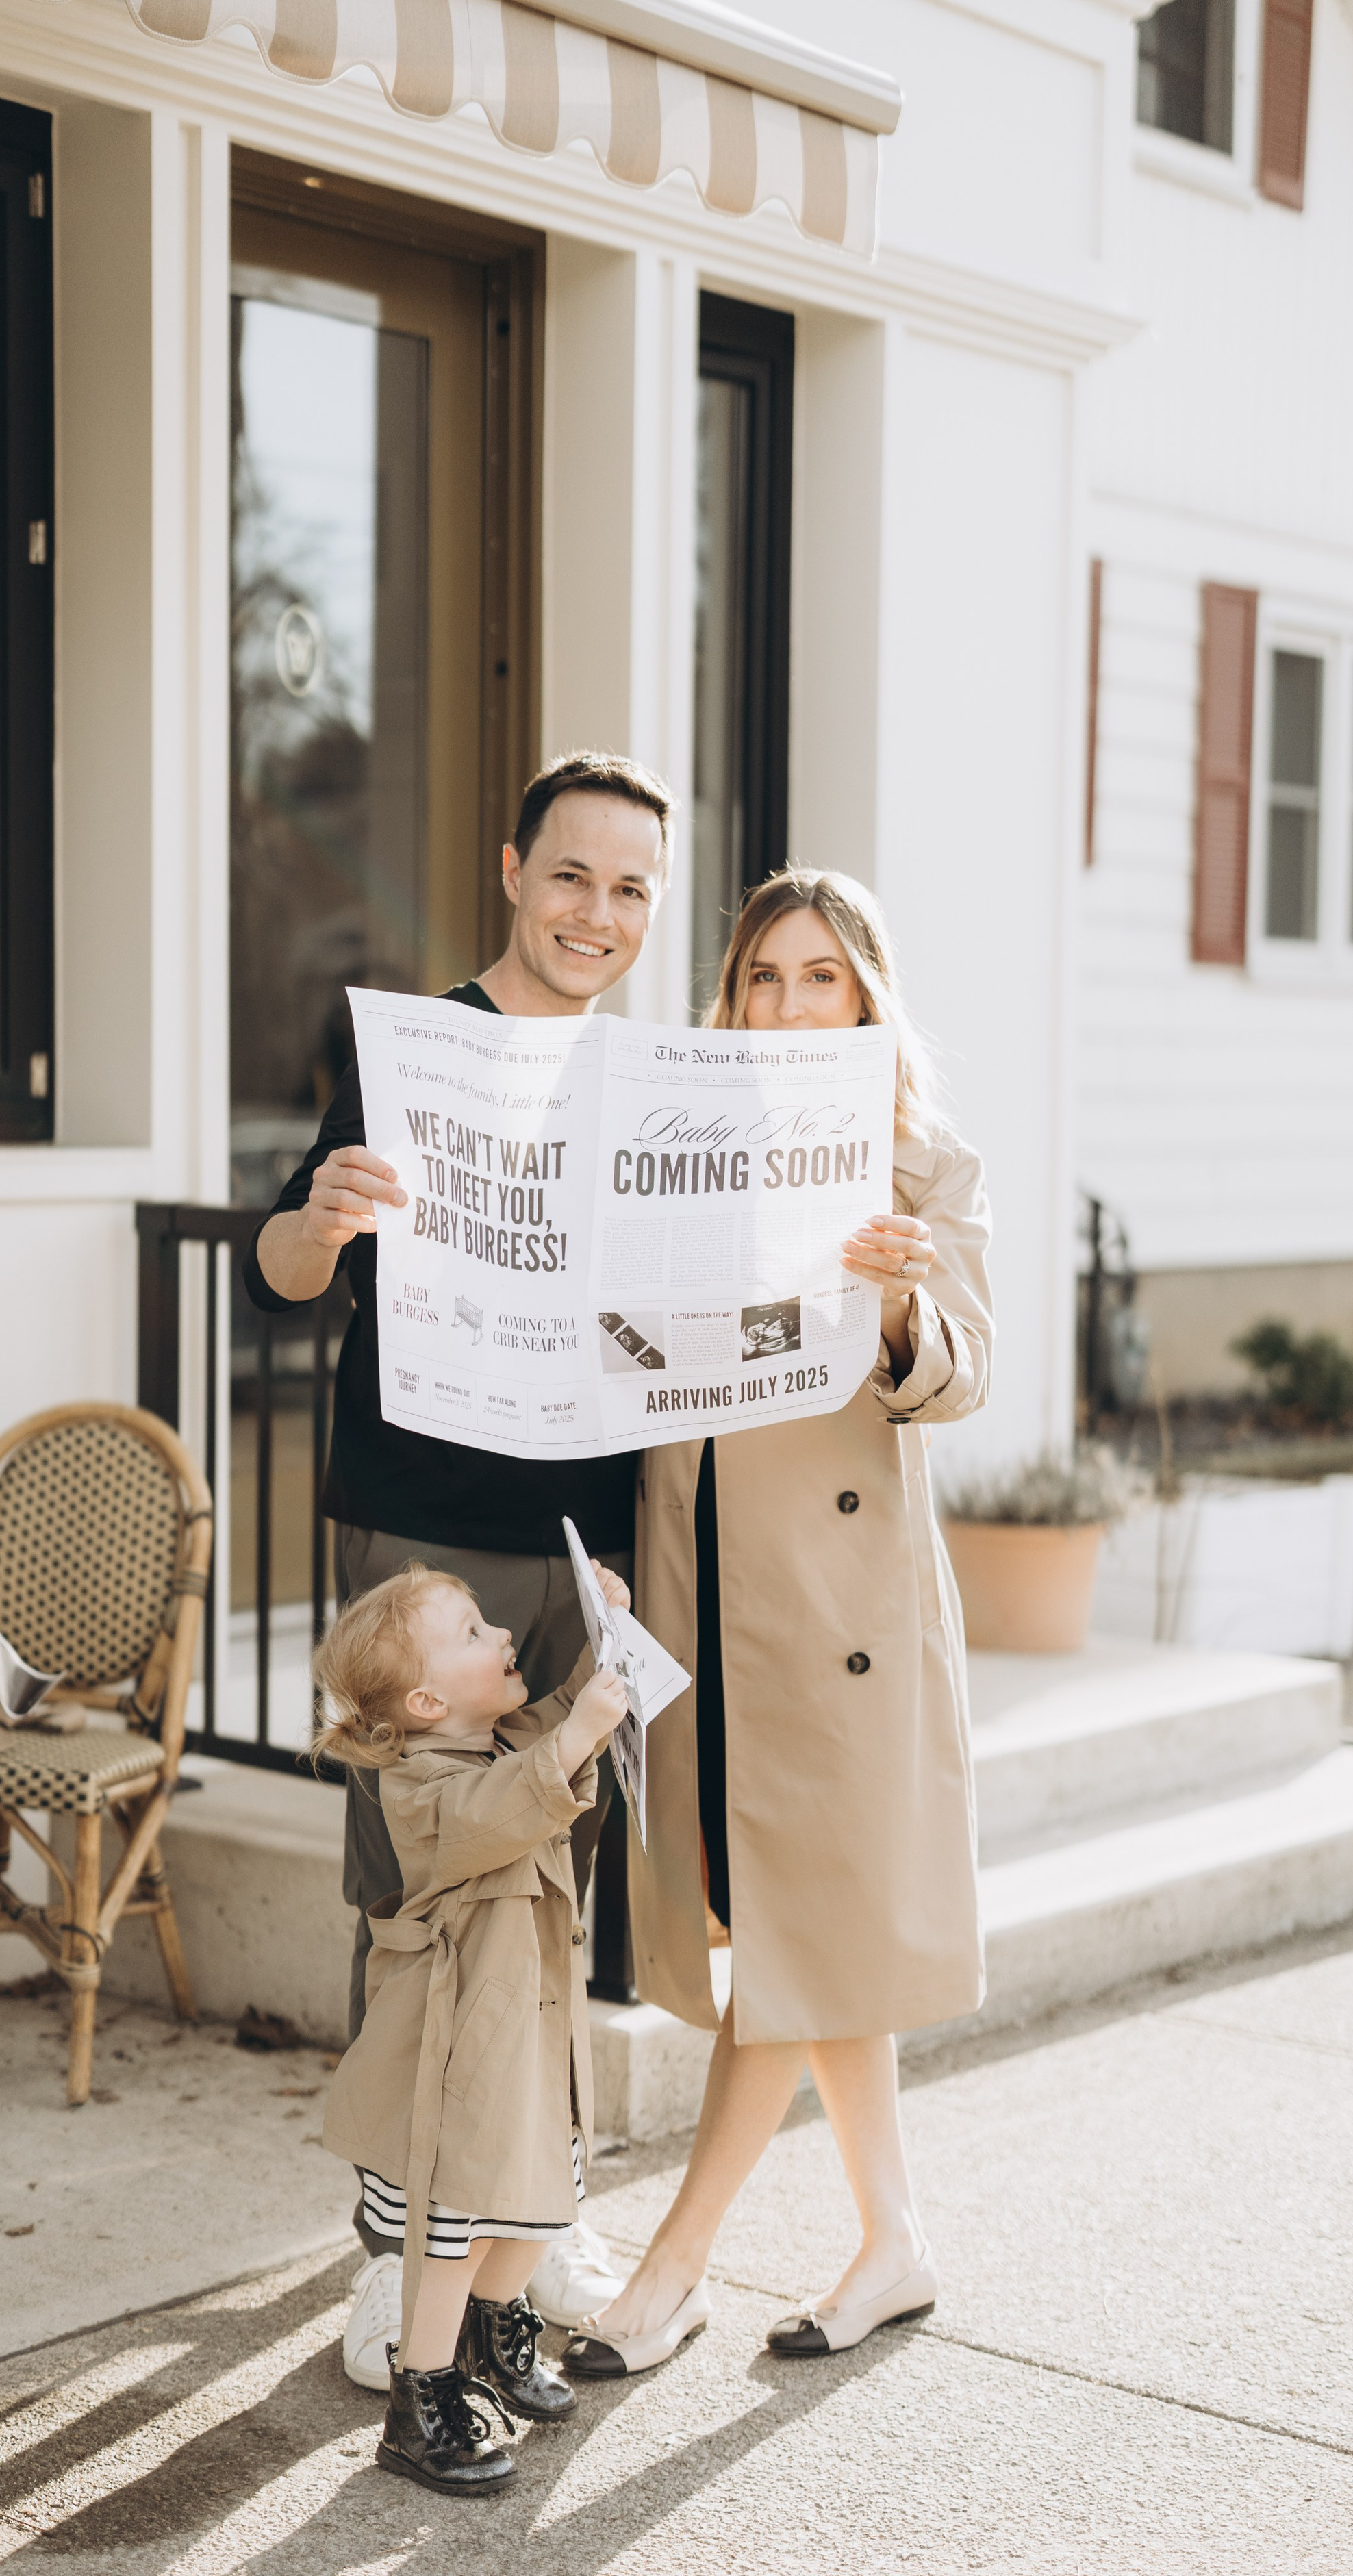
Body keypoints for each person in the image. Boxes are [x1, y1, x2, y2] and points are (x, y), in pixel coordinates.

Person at [244, 750, 674, 2380]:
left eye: (631, 887)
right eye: (571, 875)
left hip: (589, 1540)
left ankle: (524, 2242)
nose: (597, 914)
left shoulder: (648, 1090)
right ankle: (386, 2258)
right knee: (417, 1895)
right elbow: (283, 1268)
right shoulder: (410, 1052)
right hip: (420, 1523)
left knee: (553, 1894)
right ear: (510, 869)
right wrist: (328, 1216)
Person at [561, 867, 994, 2380]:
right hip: (699, 1584)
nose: (791, 1005)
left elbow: (965, 1371)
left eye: (821, 978)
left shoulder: (922, 1161)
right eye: (763, 978)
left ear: (864, 997)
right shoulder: (677, 1141)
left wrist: (892, 1308)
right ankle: (892, 2239)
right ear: (729, 996)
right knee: (799, 1924)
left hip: (834, 1607)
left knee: (799, 1932)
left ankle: (673, 2263)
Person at [314, 1561, 630, 2496]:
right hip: (457, 2058)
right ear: (423, 1699)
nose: (502, 1636)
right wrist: (578, 1730)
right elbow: (502, 1809)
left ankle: (498, 2328)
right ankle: (423, 2394)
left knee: (542, 2206)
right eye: (472, 1632)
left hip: (526, 2042)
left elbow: (558, 1722)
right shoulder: (420, 1786)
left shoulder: (501, 1739)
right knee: (449, 2232)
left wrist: (598, 1639)